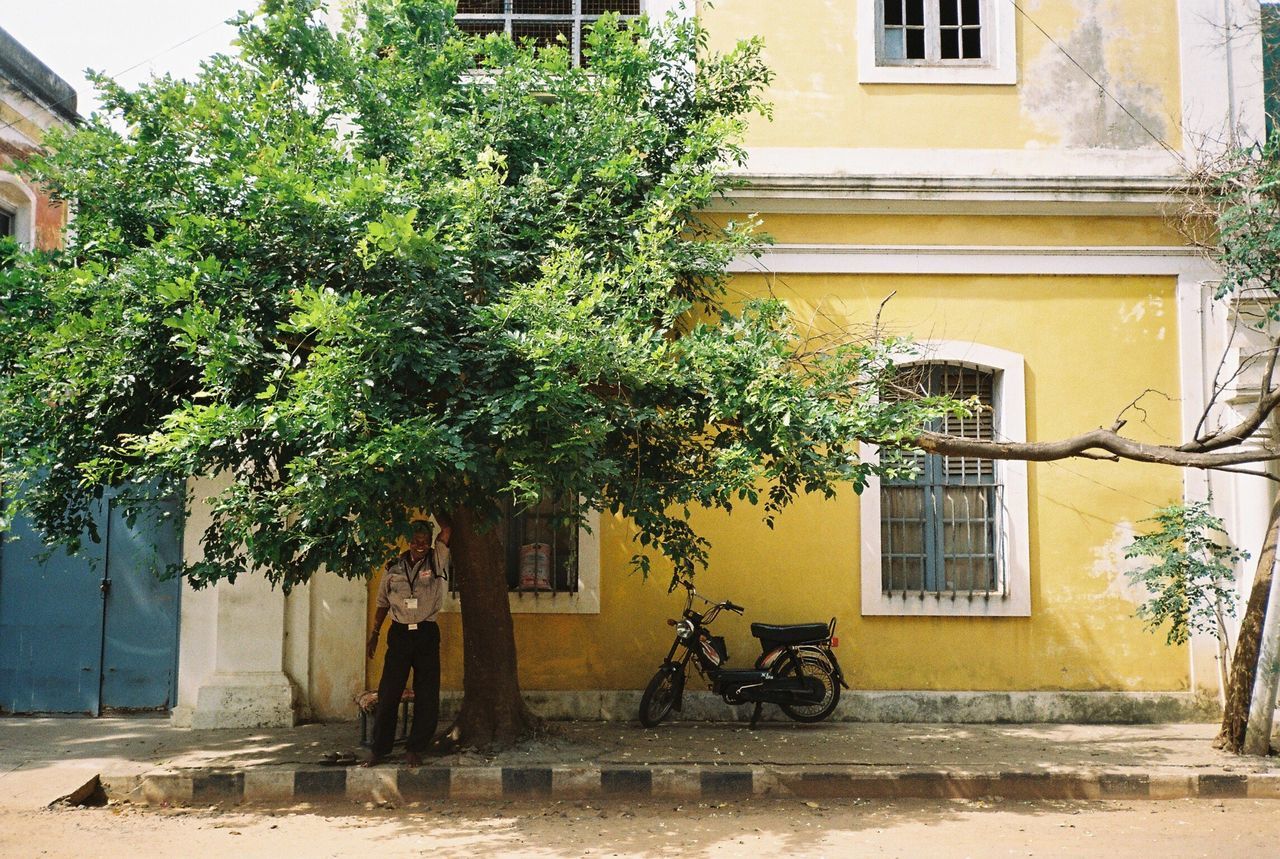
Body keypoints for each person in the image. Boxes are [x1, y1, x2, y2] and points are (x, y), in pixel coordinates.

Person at [363, 519, 449, 767]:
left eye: (424, 540)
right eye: (415, 540)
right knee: (389, 692)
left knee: (427, 693)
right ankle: (379, 749)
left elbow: (447, 531)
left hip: (426, 632)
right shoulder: (393, 568)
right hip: (399, 634)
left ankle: (415, 747)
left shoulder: (436, 560)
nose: (419, 545)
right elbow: (382, 603)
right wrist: (375, 634)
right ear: (408, 541)